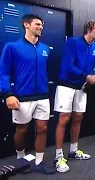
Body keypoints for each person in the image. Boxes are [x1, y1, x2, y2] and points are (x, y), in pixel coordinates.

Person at [0, 14, 55, 174]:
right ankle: (20, 159)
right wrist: (7, 94)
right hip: (21, 97)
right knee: (22, 130)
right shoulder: (12, 47)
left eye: (42, 25)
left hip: (43, 96)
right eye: (37, 24)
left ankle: (39, 161)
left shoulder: (45, 49)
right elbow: (3, 73)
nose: (41, 27)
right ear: (26, 25)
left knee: (43, 128)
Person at [54, 20, 95, 173]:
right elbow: (67, 65)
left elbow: (90, 68)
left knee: (78, 117)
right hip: (66, 85)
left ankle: (73, 150)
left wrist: (93, 77)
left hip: (81, 87)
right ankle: (58, 156)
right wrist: (85, 76)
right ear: (88, 29)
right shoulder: (73, 42)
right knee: (64, 118)